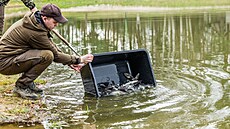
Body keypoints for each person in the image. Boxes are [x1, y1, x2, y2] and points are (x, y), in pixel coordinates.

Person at [0, 4, 94, 100]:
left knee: (47, 52)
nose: (56, 25)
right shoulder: (35, 32)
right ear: (45, 18)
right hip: (5, 63)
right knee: (47, 56)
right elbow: (55, 55)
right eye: (54, 22)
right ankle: (22, 86)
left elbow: (51, 46)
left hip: (14, 57)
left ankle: (28, 82)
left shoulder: (36, 23)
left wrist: (69, 62)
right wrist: (79, 59)